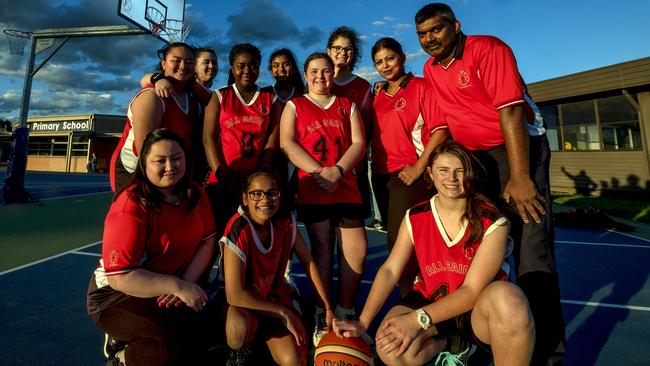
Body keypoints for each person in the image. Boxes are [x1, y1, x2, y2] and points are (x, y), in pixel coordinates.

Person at [414, 3, 566, 365]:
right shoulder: (431, 68)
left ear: (456, 26)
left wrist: (521, 176)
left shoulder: (489, 49)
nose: (429, 39)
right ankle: (483, 337)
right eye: (422, 34)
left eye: (436, 30)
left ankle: (547, 353)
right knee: (482, 248)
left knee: (532, 254)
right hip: (476, 159)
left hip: (516, 152)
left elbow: (510, 111)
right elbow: (448, 121)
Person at [333, 142, 535, 366]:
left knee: (510, 302)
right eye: (443, 170)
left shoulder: (493, 220)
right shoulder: (415, 216)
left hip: (475, 310)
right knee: (388, 347)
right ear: (430, 173)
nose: (452, 178)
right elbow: (390, 270)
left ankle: (475, 344)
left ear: (470, 174)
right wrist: (362, 322)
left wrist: (416, 320)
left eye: (460, 171)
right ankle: (450, 344)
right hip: (431, 301)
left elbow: (471, 290)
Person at [87, 128, 221, 365]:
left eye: (176, 158)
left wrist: (186, 283)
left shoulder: (196, 194)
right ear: (144, 165)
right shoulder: (130, 205)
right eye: (160, 160)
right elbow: (120, 276)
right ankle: (121, 357)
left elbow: (208, 239)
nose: (170, 166)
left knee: (204, 335)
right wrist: (176, 285)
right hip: (116, 295)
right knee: (170, 346)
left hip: (169, 285)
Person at [280, 52, 367, 345]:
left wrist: (338, 171)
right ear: (306, 75)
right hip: (313, 185)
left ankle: (346, 308)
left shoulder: (346, 105)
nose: (320, 76)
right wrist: (320, 172)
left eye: (326, 71)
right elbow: (287, 142)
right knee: (323, 250)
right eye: (314, 71)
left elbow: (358, 142)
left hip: (345, 185)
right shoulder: (295, 105)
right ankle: (324, 311)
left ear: (334, 73)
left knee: (356, 251)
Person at [221, 168, 333, 366]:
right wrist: (283, 313)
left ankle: (265, 336)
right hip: (245, 304)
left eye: (272, 193)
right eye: (257, 194)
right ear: (245, 198)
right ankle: (241, 349)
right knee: (236, 330)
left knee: (294, 361)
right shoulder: (239, 228)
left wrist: (326, 307)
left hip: (274, 295)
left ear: (280, 195)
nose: (265, 199)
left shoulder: (286, 222)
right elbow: (235, 294)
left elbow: (308, 262)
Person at [369, 37, 450, 297]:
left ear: (402, 57)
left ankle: (412, 299)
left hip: (408, 175)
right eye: (379, 62)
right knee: (398, 243)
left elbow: (440, 130)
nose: (385, 65)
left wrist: (418, 166)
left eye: (390, 58)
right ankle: (413, 295)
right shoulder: (378, 95)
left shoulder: (421, 87)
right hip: (381, 175)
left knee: (401, 244)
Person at [202, 43, 282, 236]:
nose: (247, 70)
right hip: (222, 180)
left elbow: (271, 144)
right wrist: (222, 174)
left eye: (253, 66)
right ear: (232, 67)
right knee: (217, 238)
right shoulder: (220, 96)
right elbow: (208, 139)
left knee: (248, 238)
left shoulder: (271, 100)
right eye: (241, 65)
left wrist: (256, 179)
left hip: (255, 185)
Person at [110, 42, 210, 192]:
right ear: (163, 63)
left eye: (189, 62)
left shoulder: (194, 94)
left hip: (170, 168)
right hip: (137, 169)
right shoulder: (152, 96)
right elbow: (145, 149)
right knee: (139, 213)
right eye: (176, 60)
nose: (183, 66)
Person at [142, 46, 219, 183]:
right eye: (206, 62)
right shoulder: (170, 87)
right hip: (157, 163)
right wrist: (156, 78)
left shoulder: (203, 94)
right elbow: (144, 79)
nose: (211, 66)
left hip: (186, 163)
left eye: (214, 62)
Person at [326, 26, 376, 227]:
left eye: (348, 49)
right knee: (324, 238)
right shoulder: (318, 82)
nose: (342, 53)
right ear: (329, 50)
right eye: (337, 48)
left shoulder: (363, 87)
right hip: (323, 165)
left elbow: (367, 128)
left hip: (353, 167)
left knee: (352, 233)